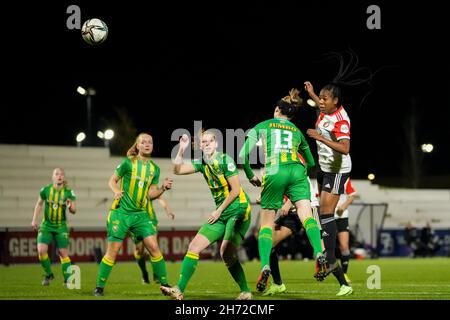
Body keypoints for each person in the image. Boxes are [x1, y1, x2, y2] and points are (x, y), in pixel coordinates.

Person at [239, 88, 325, 293]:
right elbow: (312, 162)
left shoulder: (263, 126)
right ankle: (319, 252)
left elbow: (243, 156)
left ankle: (265, 267)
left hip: (275, 170)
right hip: (297, 172)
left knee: (266, 225)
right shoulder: (296, 131)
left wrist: (251, 175)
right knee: (306, 216)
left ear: (277, 110)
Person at [161, 132, 253, 300]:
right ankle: (178, 289)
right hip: (222, 213)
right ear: (201, 146)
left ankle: (246, 290)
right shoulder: (202, 163)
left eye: (211, 140)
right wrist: (181, 149)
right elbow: (177, 170)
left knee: (225, 251)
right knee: (194, 247)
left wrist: (218, 211)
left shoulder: (226, 160)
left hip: (239, 209)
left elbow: (236, 191)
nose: (208, 143)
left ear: (216, 144)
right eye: (204, 142)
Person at [93, 133, 173, 296]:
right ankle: (99, 287)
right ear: (137, 146)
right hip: (121, 213)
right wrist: (116, 191)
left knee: (154, 248)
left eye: (150, 142)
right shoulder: (128, 163)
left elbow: (150, 194)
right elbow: (111, 181)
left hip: (141, 215)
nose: (147, 144)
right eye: (143, 142)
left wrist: (162, 188)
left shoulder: (154, 169)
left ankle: (165, 285)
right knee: (113, 251)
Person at [304, 80, 353, 296]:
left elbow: (344, 148)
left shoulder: (342, 121)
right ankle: (328, 258)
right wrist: (313, 94)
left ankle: (331, 260)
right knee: (323, 214)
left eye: (324, 99)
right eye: (320, 99)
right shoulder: (327, 108)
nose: (320, 102)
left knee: (325, 214)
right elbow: (321, 106)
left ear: (335, 101)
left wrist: (319, 136)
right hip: (324, 168)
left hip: (337, 170)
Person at [263, 177, 321, 296]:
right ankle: (278, 284)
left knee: (320, 248)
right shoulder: (275, 165)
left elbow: (303, 181)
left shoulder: (293, 161)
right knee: (269, 243)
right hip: (291, 212)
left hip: (308, 206)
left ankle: (343, 284)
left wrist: (289, 202)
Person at [31, 168, 76, 286]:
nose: (59, 176)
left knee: (63, 253)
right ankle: (49, 274)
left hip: (61, 226)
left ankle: (67, 279)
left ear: (64, 178)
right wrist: (34, 220)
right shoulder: (45, 190)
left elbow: (74, 210)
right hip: (46, 225)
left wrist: (70, 206)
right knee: (41, 251)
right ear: (53, 177)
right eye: (57, 174)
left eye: (61, 174)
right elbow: (39, 204)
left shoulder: (68, 192)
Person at [131, 195, 174, 284]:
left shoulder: (148, 185)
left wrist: (168, 211)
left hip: (150, 220)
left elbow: (160, 197)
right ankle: (144, 273)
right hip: (135, 221)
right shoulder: (129, 187)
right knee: (139, 250)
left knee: (153, 247)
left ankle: (156, 274)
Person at [334, 178, 357, 284]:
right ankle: (323, 270)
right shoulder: (325, 176)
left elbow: (352, 196)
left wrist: (343, 206)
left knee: (344, 246)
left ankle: (344, 274)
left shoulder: (345, 177)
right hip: (327, 215)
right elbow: (318, 196)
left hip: (341, 216)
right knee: (325, 245)